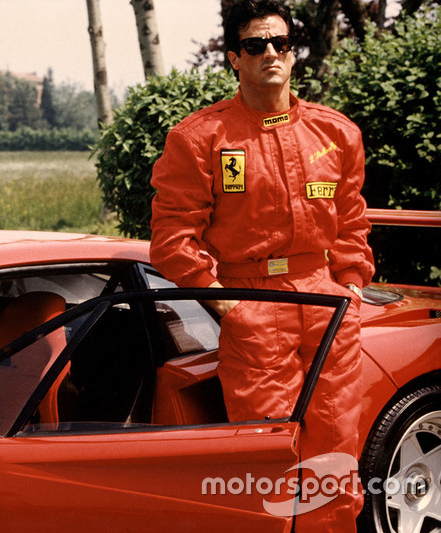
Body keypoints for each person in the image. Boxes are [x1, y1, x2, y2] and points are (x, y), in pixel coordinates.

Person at [148, 0, 374, 530]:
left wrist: (351, 285)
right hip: (253, 305)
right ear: (234, 57)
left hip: (327, 304)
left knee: (335, 451)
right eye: (255, 45)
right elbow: (173, 236)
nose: (270, 53)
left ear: (293, 55)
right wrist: (228, 304)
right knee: (266, 456)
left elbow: (352, 221)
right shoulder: (200, 137)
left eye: (280, 44)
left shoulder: (335, 133)